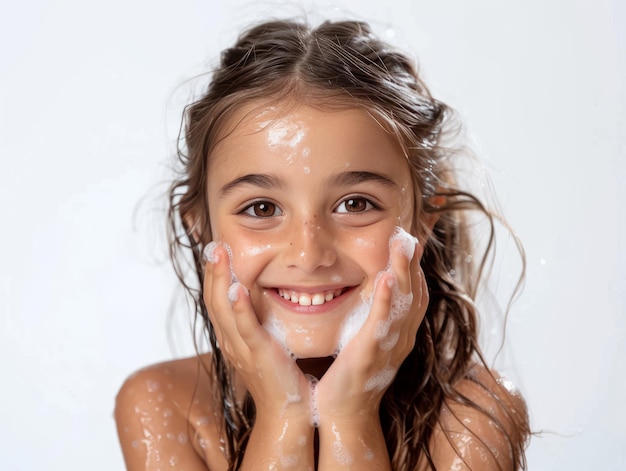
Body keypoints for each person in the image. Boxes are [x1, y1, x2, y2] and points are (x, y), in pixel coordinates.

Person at [115, 19, 530, 470]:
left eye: (355, 204)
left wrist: (350, 417)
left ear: (422, 224)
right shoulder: (165, 405)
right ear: (202, 227)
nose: (309, 255)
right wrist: (283, 416)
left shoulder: (473, 418)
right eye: (261, 209)